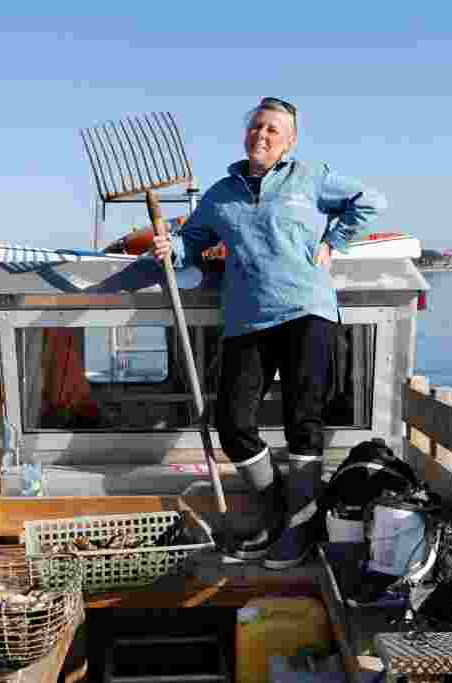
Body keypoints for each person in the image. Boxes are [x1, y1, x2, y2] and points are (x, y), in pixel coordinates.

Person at [152, 97, 385, 568]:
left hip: (307, 312)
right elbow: (191, 243)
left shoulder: (311, 176)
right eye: (257, 126)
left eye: (274, 130)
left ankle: (297, 533)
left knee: (304, 424)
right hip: (246, 319)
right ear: (246, 133)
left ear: (290, 142)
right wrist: (168, 247)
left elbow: (370, 202)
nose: (263, 135)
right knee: (233, 425)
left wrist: (331, 243)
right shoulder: (221, 194)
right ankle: (280, 513)